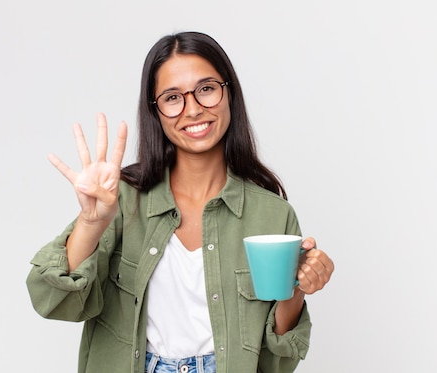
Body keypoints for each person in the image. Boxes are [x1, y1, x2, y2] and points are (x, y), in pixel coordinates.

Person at [26, 31, 334, 373]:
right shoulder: (122, 199)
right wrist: (92, 222)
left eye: (206, 89)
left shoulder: (273, 215)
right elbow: (54, 302)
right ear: (155, 111)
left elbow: (275, 364)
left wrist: (298, 289)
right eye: (173, 97)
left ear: (228, 93)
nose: (193, 109)